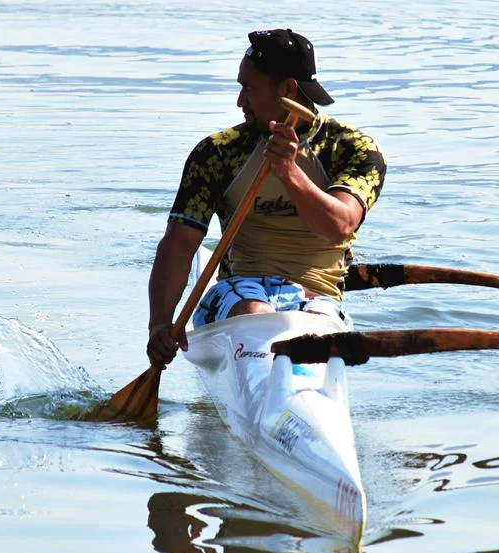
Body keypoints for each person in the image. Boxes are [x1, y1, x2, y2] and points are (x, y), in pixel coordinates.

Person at [146, 28, 387, 368]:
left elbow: (339, 226)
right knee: (255, 312)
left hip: (318, 298)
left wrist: (288, 171)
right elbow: (178, 244)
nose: (239, 101)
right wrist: (159, 324)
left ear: (288, 89)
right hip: (239, 292)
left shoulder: (352, 149)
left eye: (248, 87)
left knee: (304, 326)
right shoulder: (217, 153)